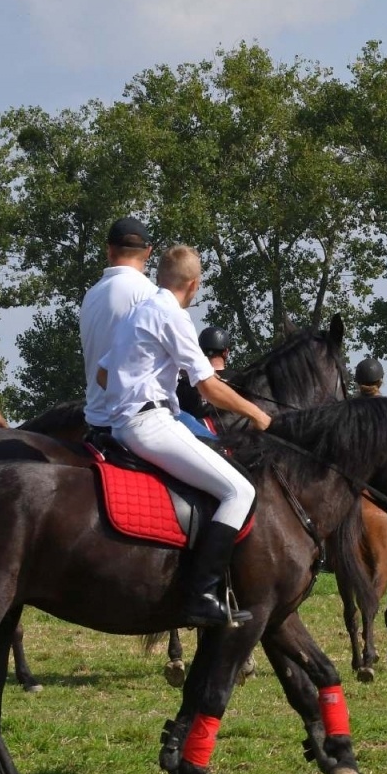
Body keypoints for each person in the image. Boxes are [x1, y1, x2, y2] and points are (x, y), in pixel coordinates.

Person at [93, 246, 272, 627]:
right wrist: (257, 414)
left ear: (160, 276)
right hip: (151, 425)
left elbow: (103, 376)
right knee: (240, 491)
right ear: (194, 284)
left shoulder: (134, 312)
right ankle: (202, 595)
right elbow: (207, 386)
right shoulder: (173, 316)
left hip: (122, 423)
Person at [80, 217, 157, 428]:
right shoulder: (150, 294)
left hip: (94, 418)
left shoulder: (91, 295)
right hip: (135, 419)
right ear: (148, 251)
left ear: (109, 250)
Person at [176, 326, 231, 437]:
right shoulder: (239, 380)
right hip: (236, 441)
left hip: (198, 442)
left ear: (200, 352)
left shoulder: (187, 383)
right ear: (226, 353)